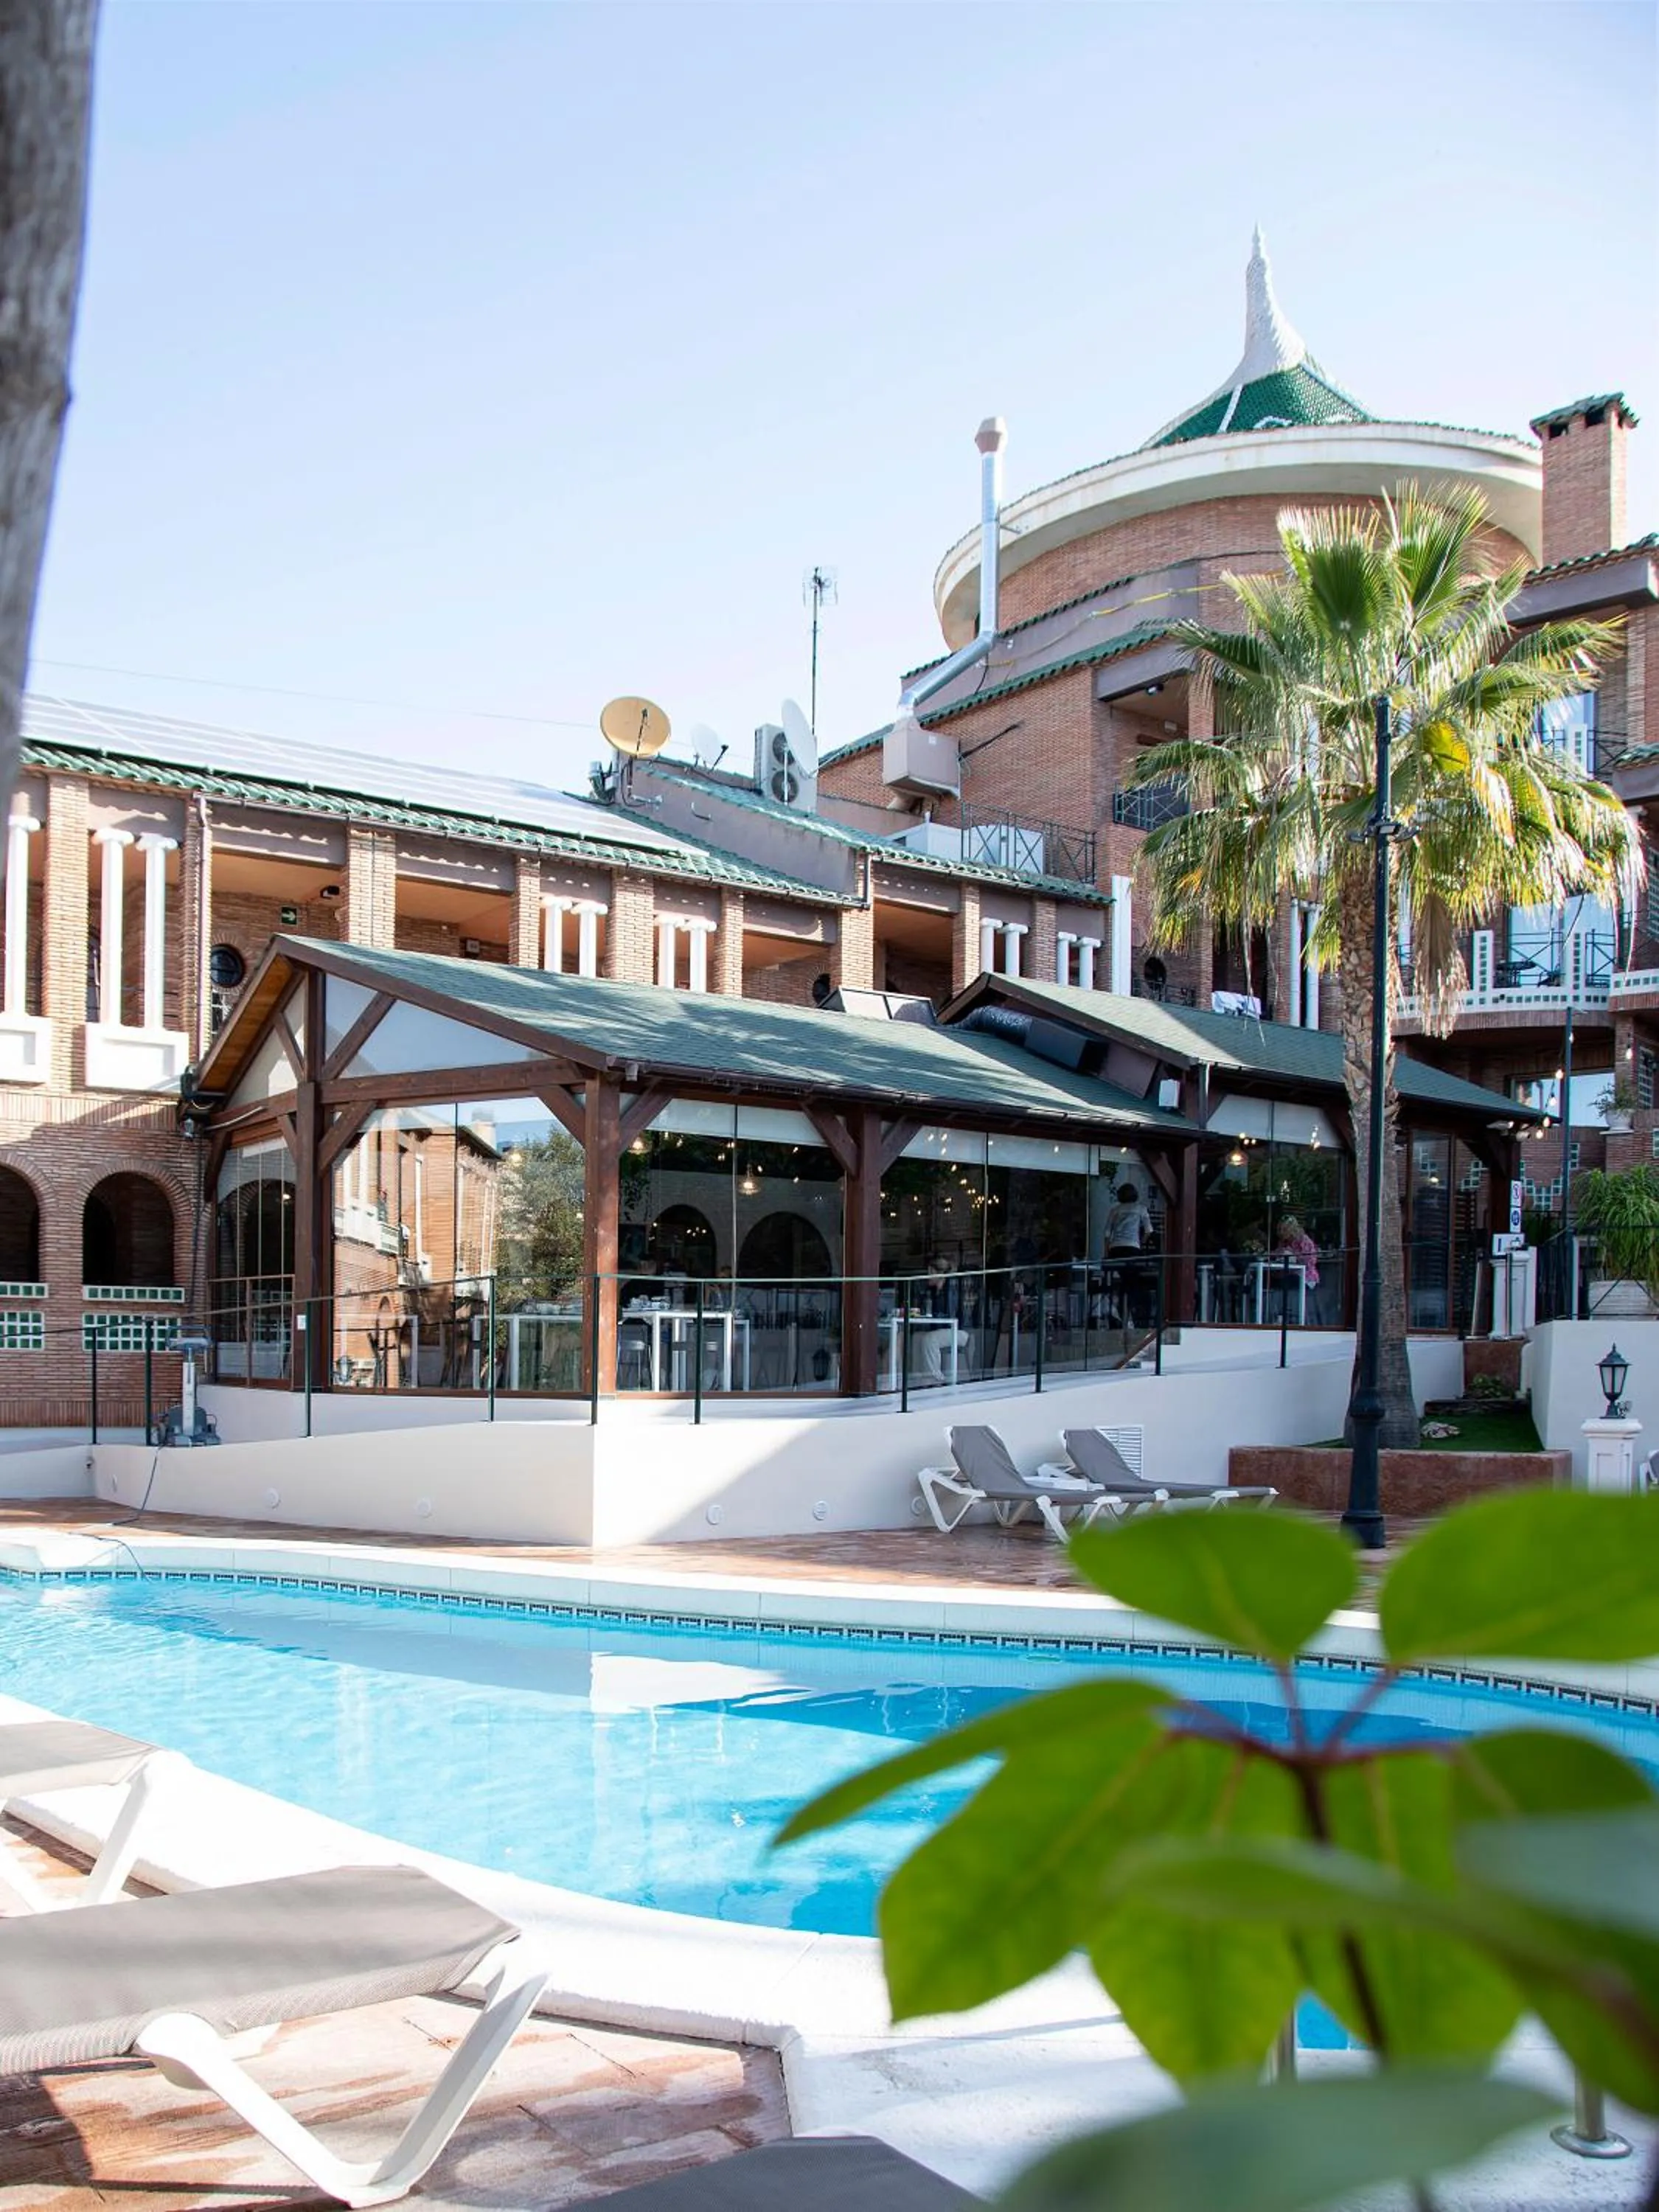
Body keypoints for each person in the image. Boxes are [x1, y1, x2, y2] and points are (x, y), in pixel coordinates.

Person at [1103, 1181, 1154, 1326]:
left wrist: (1107, 1253)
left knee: (1123, 1278)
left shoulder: (1115, 1210)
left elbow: (1107, 1234)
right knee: (1133, 1281)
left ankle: (1121, 1310)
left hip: (1116, 1249)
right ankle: (1129, 1311)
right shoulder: (1141, 1209)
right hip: (1132, 1248)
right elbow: (1149, 1230)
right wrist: (1141, 1243)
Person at [1275, 1214, 1320, 1324]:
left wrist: (1295, 1256)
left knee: (1286, 1283)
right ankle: (1281, 1314)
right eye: (1280, 1230)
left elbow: (1311, 1260)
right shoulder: (1284, 1242)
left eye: (1284, 1230)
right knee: (1277, 1282)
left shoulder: (1303, 1240)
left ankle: (1287, 1315)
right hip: (1289, 1273)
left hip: (1306, 1277)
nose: (1282, 1233)